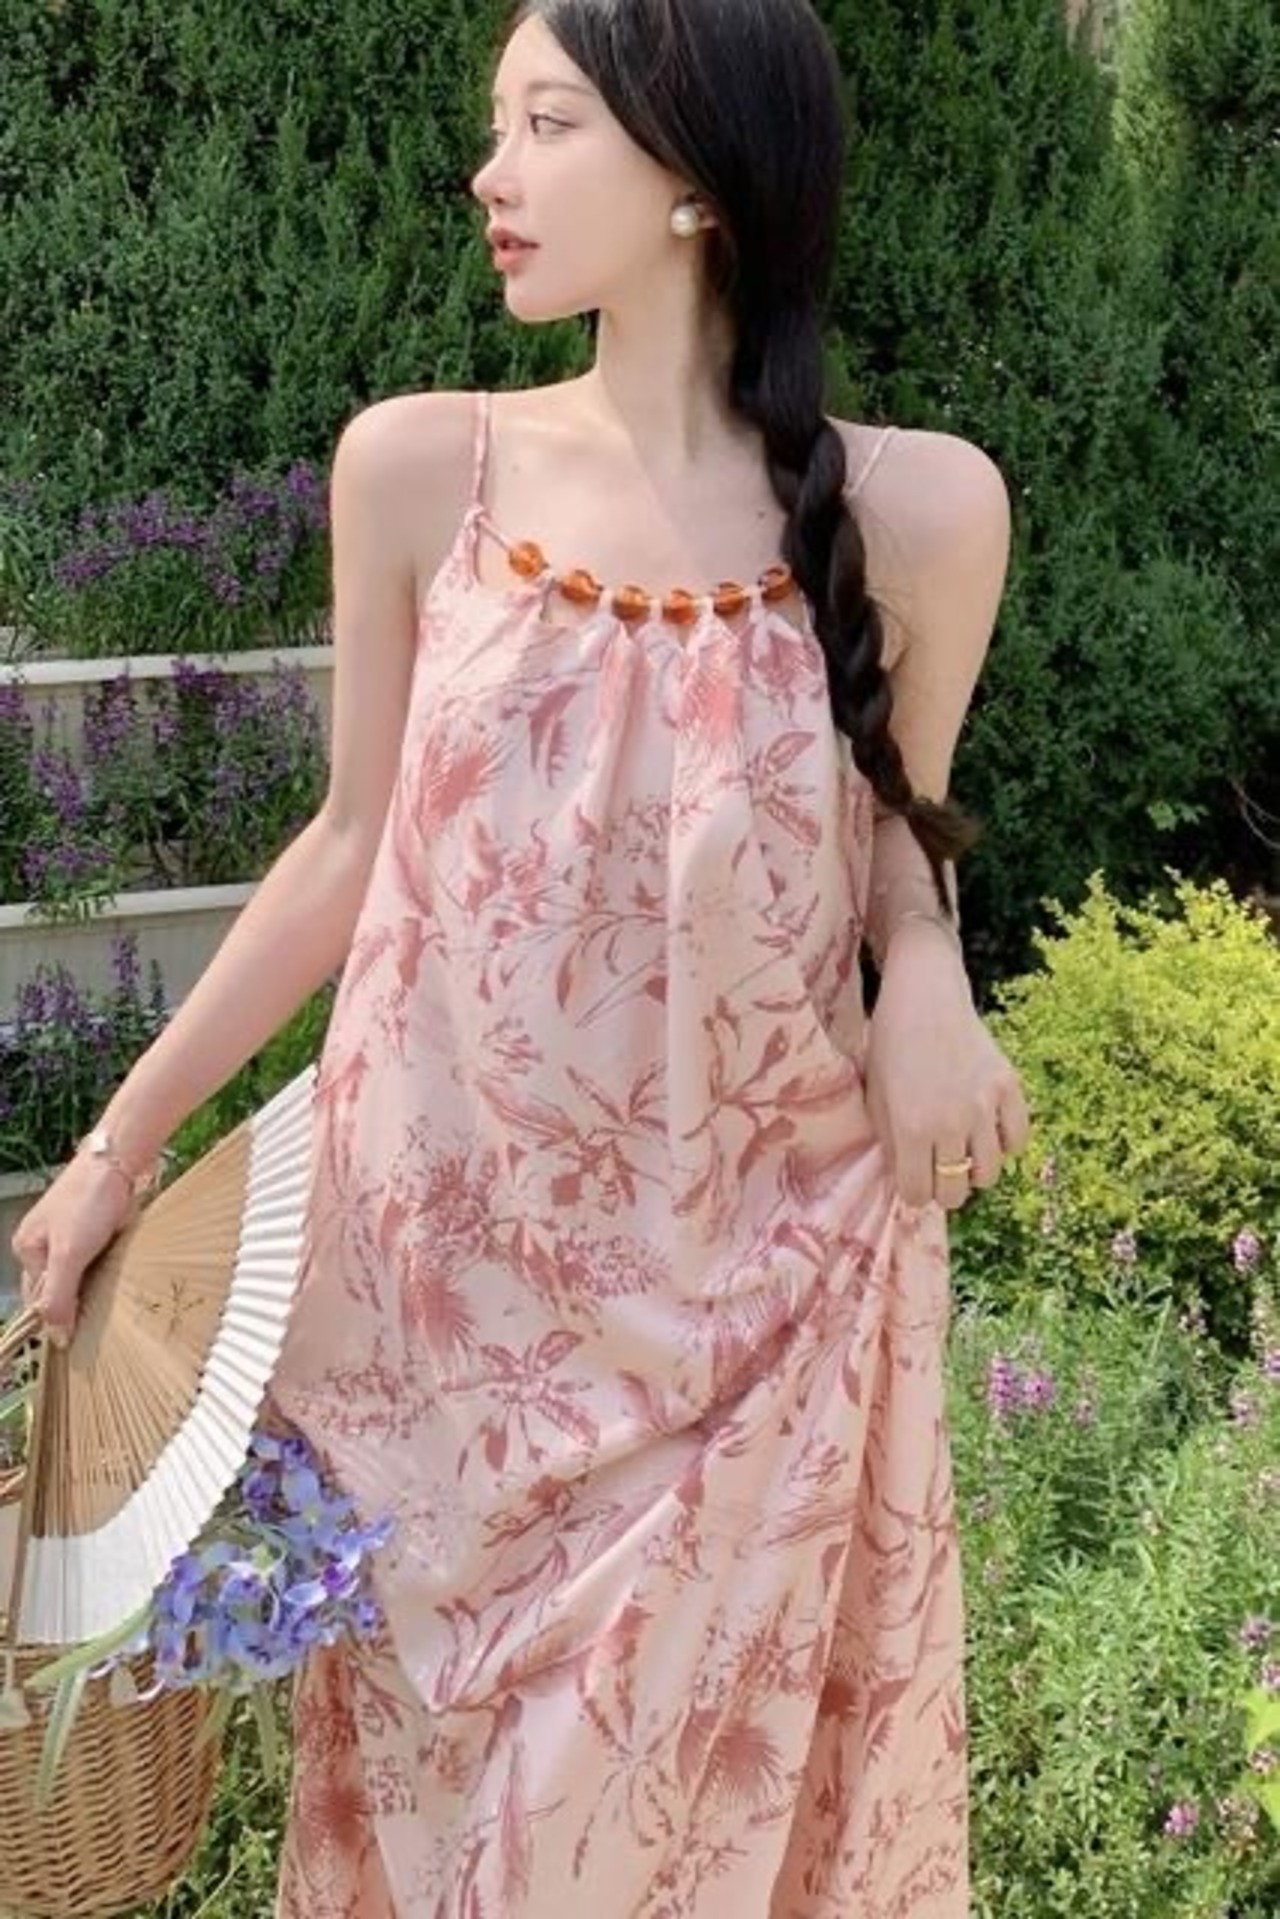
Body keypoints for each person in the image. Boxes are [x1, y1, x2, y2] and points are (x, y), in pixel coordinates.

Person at [13, 1, 1031, 1911]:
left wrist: (931, 976)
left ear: (698, 182)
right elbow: (343, 849)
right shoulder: (422, 469)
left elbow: (901, 829)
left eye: (546, 124)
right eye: (501, 126)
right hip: (449, 1334)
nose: (490, 174)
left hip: (759, 1310)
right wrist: (112, 1152)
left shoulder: (922, 509)